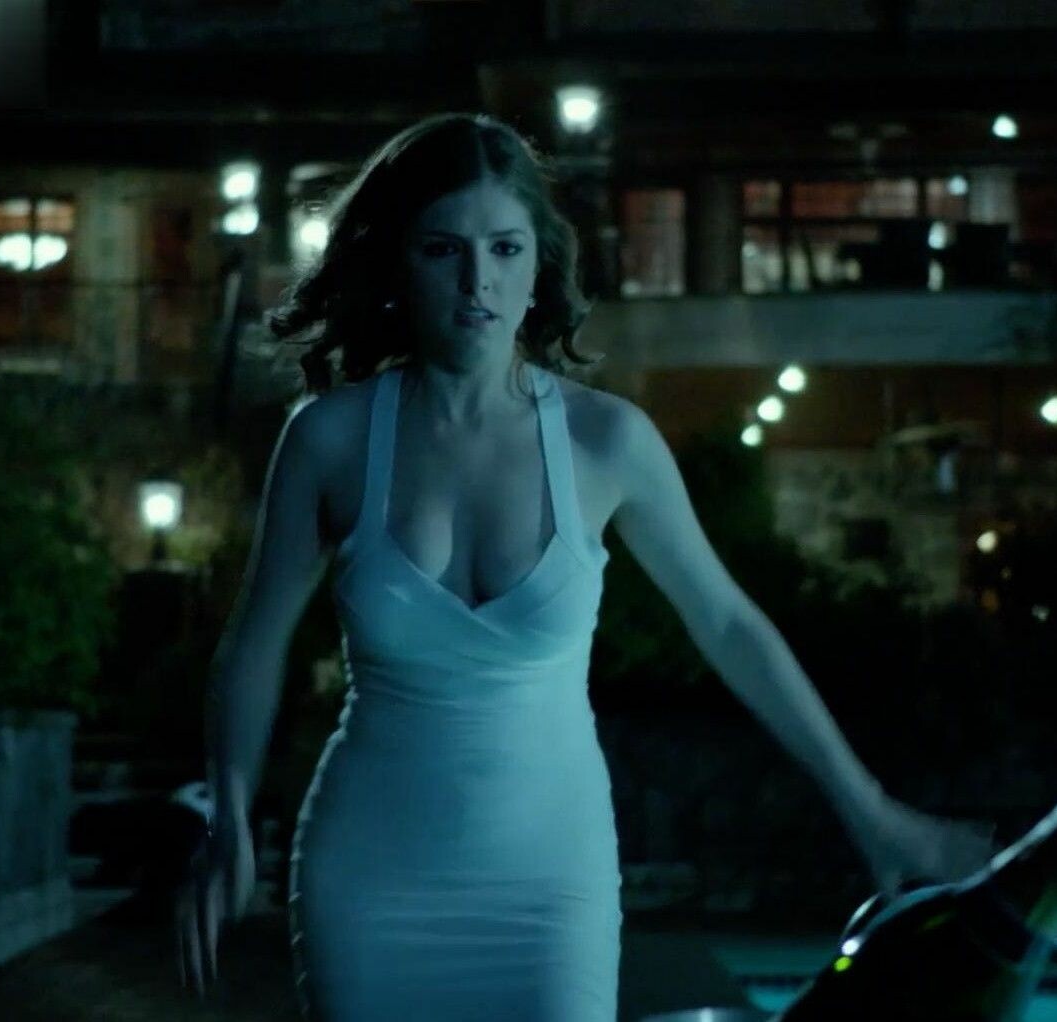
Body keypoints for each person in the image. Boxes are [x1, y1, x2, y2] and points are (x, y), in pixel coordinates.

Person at [178, 112, 996, 1019]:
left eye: (504, 247)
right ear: (398, 262)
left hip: (549, 883)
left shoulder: (605, 440)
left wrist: (871, 811)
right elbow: (254, 642)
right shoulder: (330, 439)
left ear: (539, 264)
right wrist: (228, 820)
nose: (478, 282)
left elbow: (729, 624)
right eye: (444, 249)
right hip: (369, 879)